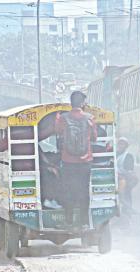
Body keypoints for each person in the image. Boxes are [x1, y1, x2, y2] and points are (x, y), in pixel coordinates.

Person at [55, 91, 97, 231]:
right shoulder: (90, 118)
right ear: (82, 103)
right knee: (84, 191)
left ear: (71, 103)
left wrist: (57, 117)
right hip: (85, 162)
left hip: (68, 161)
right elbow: (94, 137)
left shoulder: (63, 118)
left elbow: (57, 131)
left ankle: (68, 221)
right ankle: (84, 223)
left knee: (68, 191)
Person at [116, 137, 138, 216]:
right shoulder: (114, 154)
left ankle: (127, 209)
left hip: (124, 178)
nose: (121, 146)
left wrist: (123, 176)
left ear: (126, 146)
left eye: (123, 144)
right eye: (120, 144)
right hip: (114, 177)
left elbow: (129, 170)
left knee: (127, 191)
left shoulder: (128, 156)